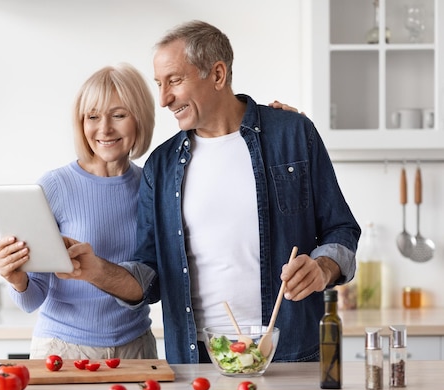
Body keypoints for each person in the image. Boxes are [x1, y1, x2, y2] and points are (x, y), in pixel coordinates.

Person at [58, 20, 361, 364]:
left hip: (289, 354)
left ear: (218, 75)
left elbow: (342, 228)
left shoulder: (292, 135)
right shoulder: (162, 166)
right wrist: (96, 270)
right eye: (159, 84)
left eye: (174, 81)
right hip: (198, 362)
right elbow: (150, 275)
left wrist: (323, 267)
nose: (163, 99)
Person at [0, 63, 159, 359]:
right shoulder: (54, 186)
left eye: (118, 115)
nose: (104, 128)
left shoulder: (151, 186)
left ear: (140, 119)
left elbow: (153, 282)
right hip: (63, 349)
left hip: (136, 347)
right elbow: (32, 299)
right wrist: (16, 279)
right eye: (92, 117)